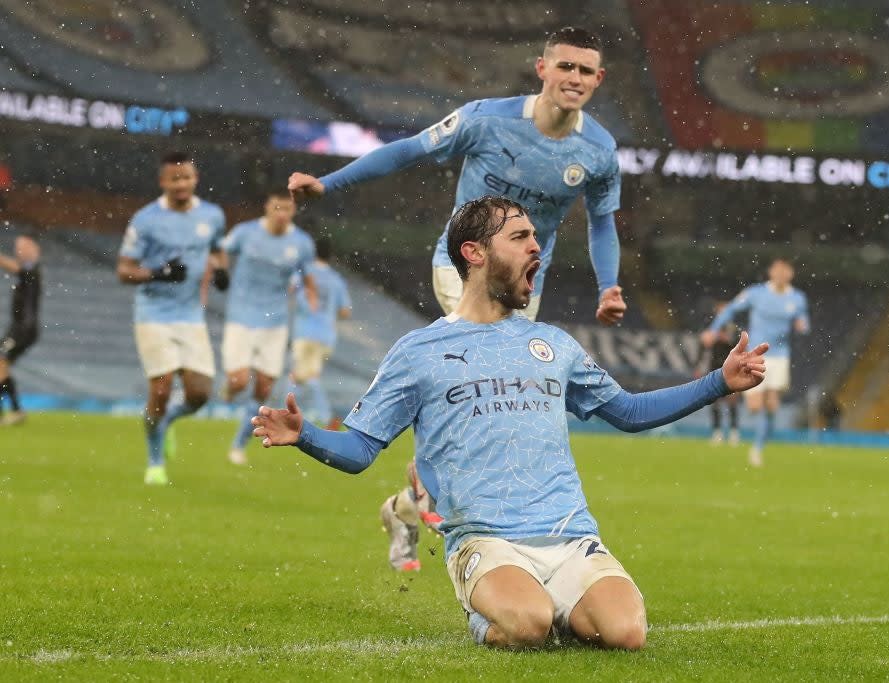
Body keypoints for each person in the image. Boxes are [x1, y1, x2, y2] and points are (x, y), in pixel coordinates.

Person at [252, 196, 769, 649]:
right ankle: (491, 608)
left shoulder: (555, 345)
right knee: (528, 626)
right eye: (520, 237)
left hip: (568, 532)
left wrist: (718, 382)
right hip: (485, 537)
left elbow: (630, 413)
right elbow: (360, 450)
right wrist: (305, 436)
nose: (535, 249)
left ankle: (553, 599)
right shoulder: (418, 352)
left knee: (627, 634)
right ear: (474, 253)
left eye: (536, 239)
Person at [288, 25, 628, 571]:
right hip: (462, 269)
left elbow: (602, 226)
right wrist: (331, 184)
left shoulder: (599, 151)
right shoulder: (484, 120)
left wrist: (608, 284)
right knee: (472, 372)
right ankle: (425, 480)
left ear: (599, 80)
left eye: (586, 71)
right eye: (565, 66)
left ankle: (408, 505)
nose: (575, 78)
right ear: (541, 69)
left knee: (498, 403)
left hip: (524, 286)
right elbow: (406, 152)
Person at [117, 151, 226, 485]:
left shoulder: (212, 215)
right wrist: (158, 273)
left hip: (191, 315)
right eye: (174, 178)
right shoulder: (146, 219)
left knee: (199, 395)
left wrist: (221, 270)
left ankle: (166, 422)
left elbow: (217, 250)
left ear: (196, 179)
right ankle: (154, 462)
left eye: (186, 177)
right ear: (162, 181)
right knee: (161, 390)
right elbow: (124, 270)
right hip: (154, 314)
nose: (181, 184)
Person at [215, 190, 317, 466]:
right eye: (277, 208)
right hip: (241, 316)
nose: (282, 214)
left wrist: (311, 301)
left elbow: (308, 277)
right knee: (238, 381)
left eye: (287, 209)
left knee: (263, 388)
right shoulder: (245, 233)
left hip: (275, 322)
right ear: (267, 208)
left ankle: (238, 444)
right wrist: (220, 270)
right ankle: (229, 390)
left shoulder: (302, 243)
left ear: (293, 211)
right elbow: (220, 250)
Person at [701, 258, 810, 467]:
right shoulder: (756, 294)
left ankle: (757, 448)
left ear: (790, 275)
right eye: (776, 271)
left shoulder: (797, 298)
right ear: (771, 273)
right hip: (756, 354)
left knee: (770, 405)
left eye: (784, 271)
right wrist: (714, 329)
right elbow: (731, 309)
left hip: (780, 356)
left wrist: (801, 325)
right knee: (756, 405)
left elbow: (804, 322)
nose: (780, 275)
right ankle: (758, 434)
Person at [289, 237, 352, 427]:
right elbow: (345, 311)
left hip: (305, 331)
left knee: (302, 377)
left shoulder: (303, 273)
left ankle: (324, 417)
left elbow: (291, 290)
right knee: (304, 376)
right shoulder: (336, 279)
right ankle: (296, 415)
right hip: (325, 335)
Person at [0, 234, 41, 425]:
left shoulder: (32, 270)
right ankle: (14, 410)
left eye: (23, 247)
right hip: (17, 327)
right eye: (17, 247)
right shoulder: (28, 272)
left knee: (1, 363)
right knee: (2, 366)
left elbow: (18, 268)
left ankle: (16, 410)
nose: (19, 251)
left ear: (34, 251)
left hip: (24, 329)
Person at [701, 301, 741, 445]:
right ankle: (717, 431)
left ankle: (734, 431)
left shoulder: (735, 328)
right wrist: (699, 366)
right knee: (715, 401)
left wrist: (727, 339)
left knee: (732, 401)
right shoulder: (711, 328)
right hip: (714, 367)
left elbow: (740, 345)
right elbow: (704, 346)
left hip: (731, 368)